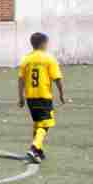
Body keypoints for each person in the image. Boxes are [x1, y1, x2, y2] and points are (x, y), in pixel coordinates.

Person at [17, 32, 66, 164]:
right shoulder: (48, 58)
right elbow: (57, 78)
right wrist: (62, 94)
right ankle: (34, 148)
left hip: (30, 97)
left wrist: (21, 97)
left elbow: (21, 79)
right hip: (43, 96)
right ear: (44, 43)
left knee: (38, 123)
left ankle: (39, 151)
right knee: (45, 124)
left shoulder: (26, 59)